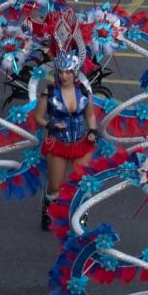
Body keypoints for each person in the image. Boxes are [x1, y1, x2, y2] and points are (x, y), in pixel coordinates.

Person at [32, 54, 98, 233]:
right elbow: (38, 117)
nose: (64, 76)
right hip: (58, 143)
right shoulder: (49, 92)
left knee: (83, 183)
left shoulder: (84, 92)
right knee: (56, 186)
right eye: (61, 71)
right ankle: (47, 206)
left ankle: (80, 219)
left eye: (68, 72)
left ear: (75, 72)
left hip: (81, 143)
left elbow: (90, 115)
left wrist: (92, 131)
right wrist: (50, 124)